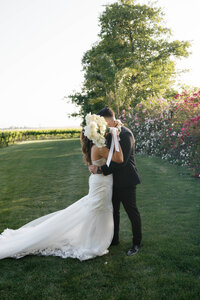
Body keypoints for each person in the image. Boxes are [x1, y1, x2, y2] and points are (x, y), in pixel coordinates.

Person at [0, 122, 123, 261]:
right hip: (101, 183)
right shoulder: (99, 147)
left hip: (99, 182)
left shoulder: (92, 147)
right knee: (96, 211)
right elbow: (119, 158)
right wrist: (115, 136)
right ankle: (91, 242)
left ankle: (92, 239)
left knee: (96, 210)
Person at [89, 108, 142, 256]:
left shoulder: (125, 134)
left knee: (132, 212)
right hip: (111, 181)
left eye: (103, 122)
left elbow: (121, 162)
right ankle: (114, 239)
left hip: (126, 180)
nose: (103, 126)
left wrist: (101, 170)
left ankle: (136, 243)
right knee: (114, 212)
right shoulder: (109, 132)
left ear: (110, 119)